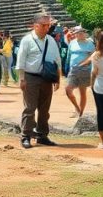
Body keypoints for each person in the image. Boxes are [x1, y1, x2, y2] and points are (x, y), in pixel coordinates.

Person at [16, 13, 62, 149]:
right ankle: (26, 135)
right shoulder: (27, 40)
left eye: (48, 25)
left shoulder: (51, 40)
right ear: (36, 26)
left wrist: (58, 78)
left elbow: (57, 60)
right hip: (30, 77)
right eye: (44, 25)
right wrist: (22, 79)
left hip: (47, 78)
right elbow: (21, 61)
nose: (47, 28)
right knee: (29, 108)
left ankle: (42, 135)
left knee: (44, 109)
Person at [64, 26, 94, 121]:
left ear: (85, 33)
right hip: (73, 70)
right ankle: (77, 108)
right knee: (68, 89)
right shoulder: (72, 43)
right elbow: (68, 56)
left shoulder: (90, 44)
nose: (79, 34)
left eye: (81, 32)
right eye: (77, 33)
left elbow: (93, 57)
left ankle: (80, 113)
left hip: (85, 70)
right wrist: (66, 68)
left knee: (82, 92)